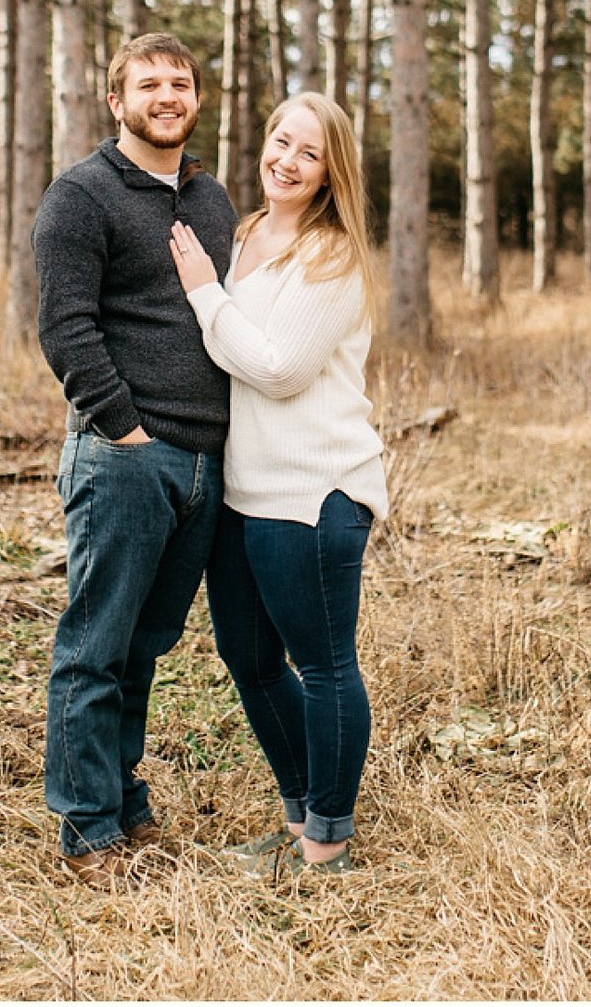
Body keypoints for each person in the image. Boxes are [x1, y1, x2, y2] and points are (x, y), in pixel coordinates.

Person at [33, 32, 238, 886]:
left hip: (203, 464)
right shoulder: (81, 196)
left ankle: (120, 797)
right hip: (127, 460)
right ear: (116, 101)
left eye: (179, 82)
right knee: (95, 642)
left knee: (144, 646)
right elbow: (66, 328)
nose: (166, 95)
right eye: (147, 83)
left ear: (195, 100)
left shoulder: (210, 195)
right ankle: (86, 828)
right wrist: (127, 431)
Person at [166, 91, 384, 877]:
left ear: (331, 173)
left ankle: (328, 843)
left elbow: (282, 368)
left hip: (313, 488)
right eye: (281, 142)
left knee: (324, 664)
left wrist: (202, 293)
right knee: (249, 658)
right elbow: (232, 342)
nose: (287, 162)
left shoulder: (334, 256)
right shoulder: (246, 232)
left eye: (309, 153)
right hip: (242, 487)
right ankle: (298, 820)